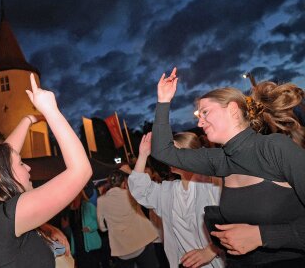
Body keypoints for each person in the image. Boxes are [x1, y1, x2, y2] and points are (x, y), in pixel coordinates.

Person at [151, 67, 305, 267]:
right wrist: (163, 101)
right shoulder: (221, 160)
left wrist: (261, 235)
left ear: (233, 109)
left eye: (205, 112)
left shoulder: (274, 148)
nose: (199, 123)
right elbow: (163, 151)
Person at [0, 73, 92, 267]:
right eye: (21, 163)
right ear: (0, 176)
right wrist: (51, 111)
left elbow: (3, 158)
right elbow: (81, 171)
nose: (28, 166)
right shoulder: (4, 217)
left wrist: (29, 118)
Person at [129, 132, 224, 268]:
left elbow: (232, 221)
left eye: (175, 152)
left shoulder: (212, 186)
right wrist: (143, 155)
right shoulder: (168, 191)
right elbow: (140, 189)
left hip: (216, 263)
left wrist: (211, 250)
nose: (169, 157)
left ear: (191, 154)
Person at [97, 170, 159, 268]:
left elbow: (102, 228)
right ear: (124, 183)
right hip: (142, 242)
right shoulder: (131, 194)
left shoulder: (101, 200)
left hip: (122, 249)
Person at [62, 188, 102, 268]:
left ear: (80, 194)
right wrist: (66, 227)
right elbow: (69, 230)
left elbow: (99, 222)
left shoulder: (88, 206)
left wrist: (90, 228)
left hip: (91, 247)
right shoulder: (68, 210)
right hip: (77, 247)